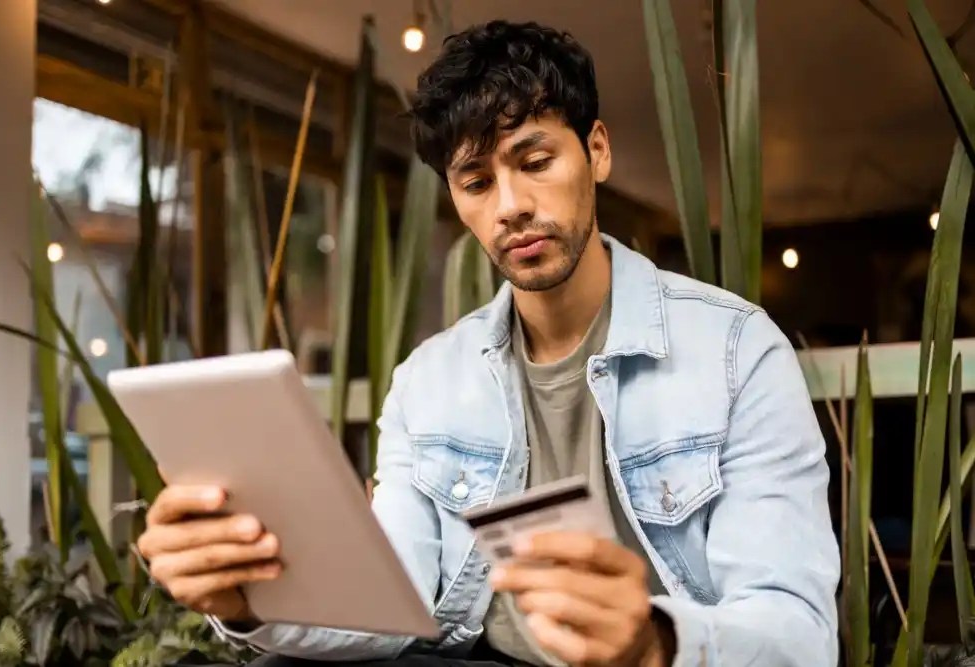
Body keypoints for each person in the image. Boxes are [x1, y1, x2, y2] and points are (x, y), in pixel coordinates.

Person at [136, 19, 840, 667]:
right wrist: (243, 600)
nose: (510, 206)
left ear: (596, 151)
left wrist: (653, 640)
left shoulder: (736, 350)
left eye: (534, 161)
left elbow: (797, 632)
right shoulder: (429, 379)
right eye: (476, 181)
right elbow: (390, 604)